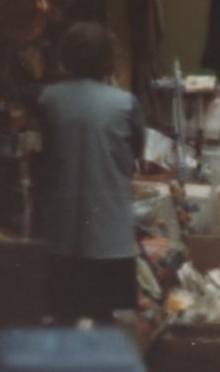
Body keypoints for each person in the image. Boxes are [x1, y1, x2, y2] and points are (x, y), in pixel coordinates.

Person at [37, 22, 144, 322]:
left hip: (62, 234)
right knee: (104, 321)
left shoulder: (49, 99)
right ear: (109, 59)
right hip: (110, 237)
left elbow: (47, 152)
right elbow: (136, 154)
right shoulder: (126, 103)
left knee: (63, 318)